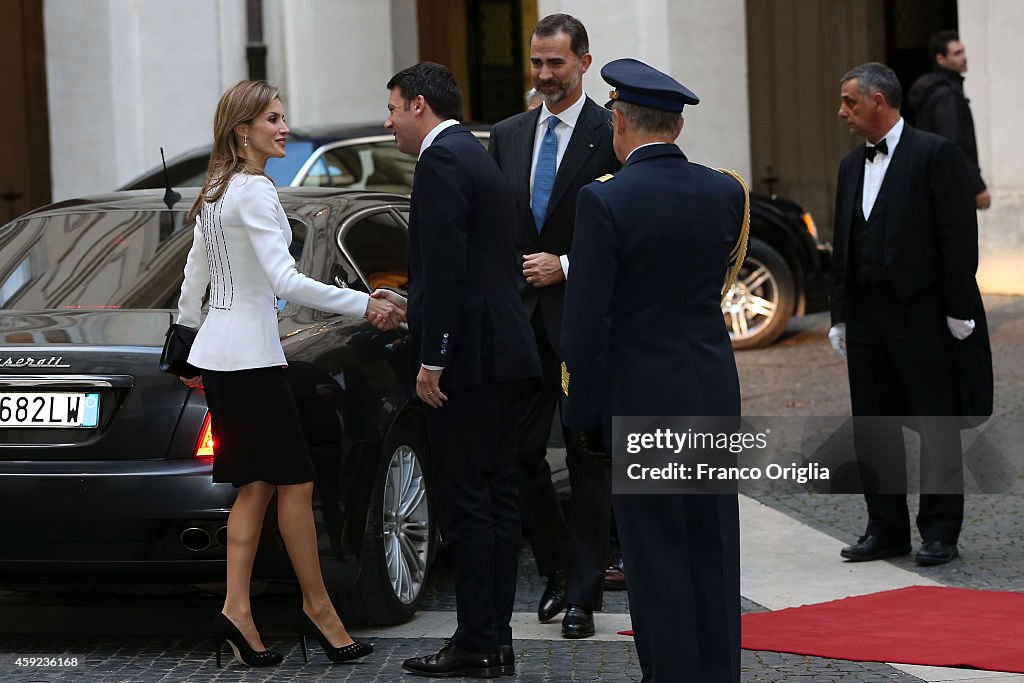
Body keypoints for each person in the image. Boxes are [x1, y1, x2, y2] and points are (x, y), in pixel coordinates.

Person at [176, 79, 393, 668]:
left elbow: (195, 281)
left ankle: (237, 611)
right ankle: (318, 609)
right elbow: (286, 282)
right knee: (293, 483)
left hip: (224, 359)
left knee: (257, 486)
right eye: (272, 118)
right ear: (242, 129)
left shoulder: (216, 191)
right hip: (249, 360)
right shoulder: (254, 191)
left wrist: (186, 346)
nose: (284, 127)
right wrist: (365, 301)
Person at [561, 58, 745, 682]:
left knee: (657, 554)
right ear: (677, 126)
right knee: (714, 545)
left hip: (643, 394)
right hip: (712, 387)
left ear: (619, 121)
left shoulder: (605, 199)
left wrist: (582, 414)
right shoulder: (724, 191)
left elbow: (587, 322)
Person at [377, 62, 541, 678]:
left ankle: (477, 642)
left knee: (468, 502)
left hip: (467, 363)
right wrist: (414, 304)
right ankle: (492, 638)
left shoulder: (442, 162)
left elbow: (446, 270)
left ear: (419, 105)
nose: (387, 121)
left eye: (392, 108)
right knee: (497, 500)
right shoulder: (475, 156)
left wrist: (432, 358)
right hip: (502, 353)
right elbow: (473, 266)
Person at [488, 12, 619, 638]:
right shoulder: (509, 134)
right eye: (537, 63)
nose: (543, 75)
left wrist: (566, 263)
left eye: (556, 64)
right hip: (519, 324)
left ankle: (584, 596)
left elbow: (629, 225)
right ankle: (559, 565)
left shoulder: (610, 131)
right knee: (517, 452)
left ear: (584, 63)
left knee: (591, 460)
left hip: (584, 324)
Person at [830, 62, 991, 567]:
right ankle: (886, 528)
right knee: (873, 426)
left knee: (935, 424)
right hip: (868, 319)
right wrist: (840, 314)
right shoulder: (851, 166)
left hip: (922, 316)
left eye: (850, 102)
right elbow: (844, 243)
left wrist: (959, 308)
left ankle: (940, 530)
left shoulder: (936, 154)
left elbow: (958, 237)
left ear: (880, 101)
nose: (842, 112)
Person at [908, 30, 990, 210]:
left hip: (938, 182)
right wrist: (977, 186)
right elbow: (953, 144)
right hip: (949, 186)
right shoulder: (945, 95)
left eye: (963, 51)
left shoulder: (936, 91)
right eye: (957, 53)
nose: (964, 58)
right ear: (941, 59)